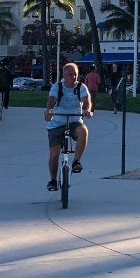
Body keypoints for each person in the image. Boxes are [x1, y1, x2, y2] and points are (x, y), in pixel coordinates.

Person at [44, 63, 92, 191]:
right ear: (64, 75)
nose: (74, 76)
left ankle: (76, 161)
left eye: (75, 74)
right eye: (70, 74)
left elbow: (86, 100)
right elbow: (52, 99)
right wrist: (49, 110)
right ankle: (53, 180)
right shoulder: (57, 87)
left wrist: (87, 110)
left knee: (83, 131)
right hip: (57, 123)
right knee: (54, 155)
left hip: (75, 121)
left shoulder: (81, 87)